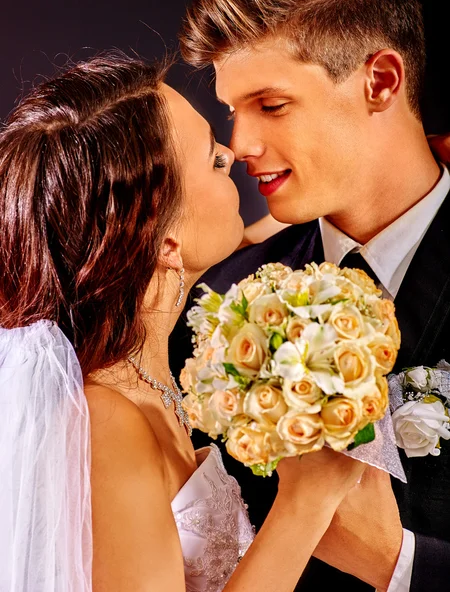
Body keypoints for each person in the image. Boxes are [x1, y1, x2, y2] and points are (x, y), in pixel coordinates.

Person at [0, 54, 366, 592]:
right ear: (166, 239)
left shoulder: (148, 373)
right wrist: (304, 504)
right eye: (215, 163)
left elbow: (246, 235)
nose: (235, 152)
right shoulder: (103, 423)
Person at [171, 0, 450, 591]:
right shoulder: (220, 305)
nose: (240, 143)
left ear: (380, 81)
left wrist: (399, 563)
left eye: (271, 105)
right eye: (231, 113)